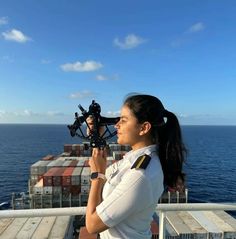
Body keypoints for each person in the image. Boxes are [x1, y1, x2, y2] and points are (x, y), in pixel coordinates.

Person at [86, 94, 187, 239]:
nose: (116, 125)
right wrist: (96, 137)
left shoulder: (140, 174)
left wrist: (97, 176)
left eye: (123, 120)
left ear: (144, 128)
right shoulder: (138, 159)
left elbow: (92, 225)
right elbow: (106, 173)